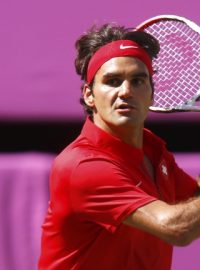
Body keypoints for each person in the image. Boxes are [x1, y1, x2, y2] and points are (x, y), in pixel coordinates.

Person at [38, 23, 200, 270]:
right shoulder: (82, 166)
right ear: (89, 94)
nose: (125, 91)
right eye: (113, 81)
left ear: (151, 92)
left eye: (137, 81)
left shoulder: (154, 151)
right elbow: (177, 227)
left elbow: (193, 200)